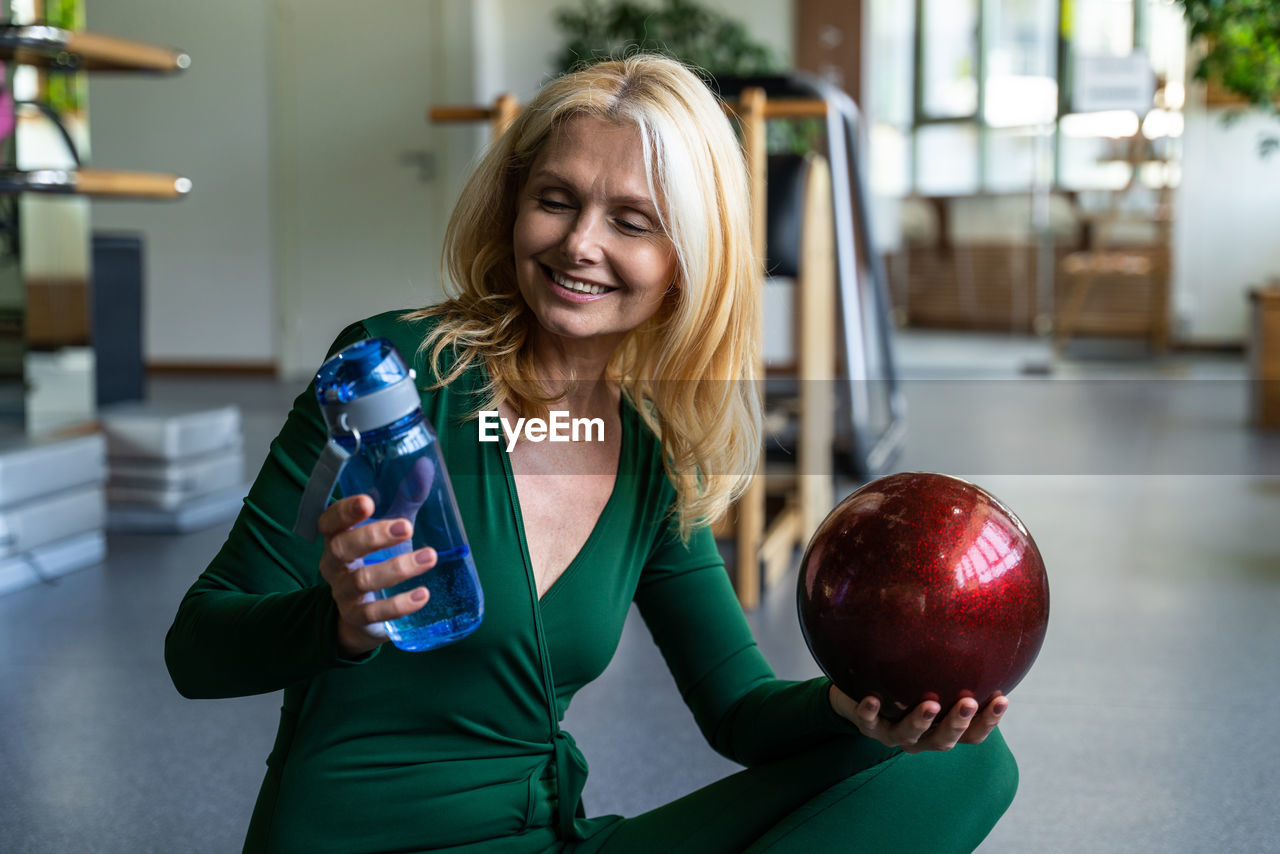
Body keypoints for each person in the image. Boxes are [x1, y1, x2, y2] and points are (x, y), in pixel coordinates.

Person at [165, 54, 1018, 853]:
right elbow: (196, 647)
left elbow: (741, 710)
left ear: (687, 259)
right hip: (354, 835)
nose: (580, 244)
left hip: (545, 838)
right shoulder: (392, 375)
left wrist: (864, 709)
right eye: (556, 199)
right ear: (512, 206)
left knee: (965, 767)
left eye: (632, 221)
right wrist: (338, 621)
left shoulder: (650, 456)